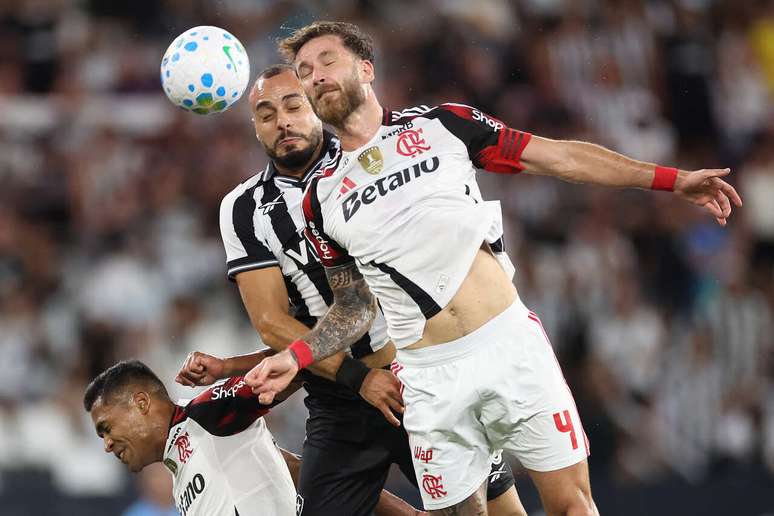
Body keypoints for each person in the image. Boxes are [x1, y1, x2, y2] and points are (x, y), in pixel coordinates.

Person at [247, 21, 743, 515]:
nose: (316, 76)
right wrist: (297, 355)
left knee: (573, 506)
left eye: (327, 61)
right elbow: (353, 307)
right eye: (305, 71)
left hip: (508, 344)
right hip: (427, 378)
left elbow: (559, 158)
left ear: (365, 68)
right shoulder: (319, 199)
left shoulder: (442, 125)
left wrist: (671, 180)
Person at [176, 64, 524, 516]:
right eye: (266, 114)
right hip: (337, 395)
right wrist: (359, 379)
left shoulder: (370, 160)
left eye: (293, 106)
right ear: (255, 128)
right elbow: (271, 322)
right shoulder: (244, 209)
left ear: (317, 108)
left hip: (420, 374)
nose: (282, 122)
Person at [84, 359, 427, 516]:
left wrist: (358, 376)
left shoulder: (205, 414)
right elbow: (302, 473)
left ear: (141, 403)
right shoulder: (181, 472)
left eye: (106, 428)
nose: (107, 444)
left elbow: (296, 366)